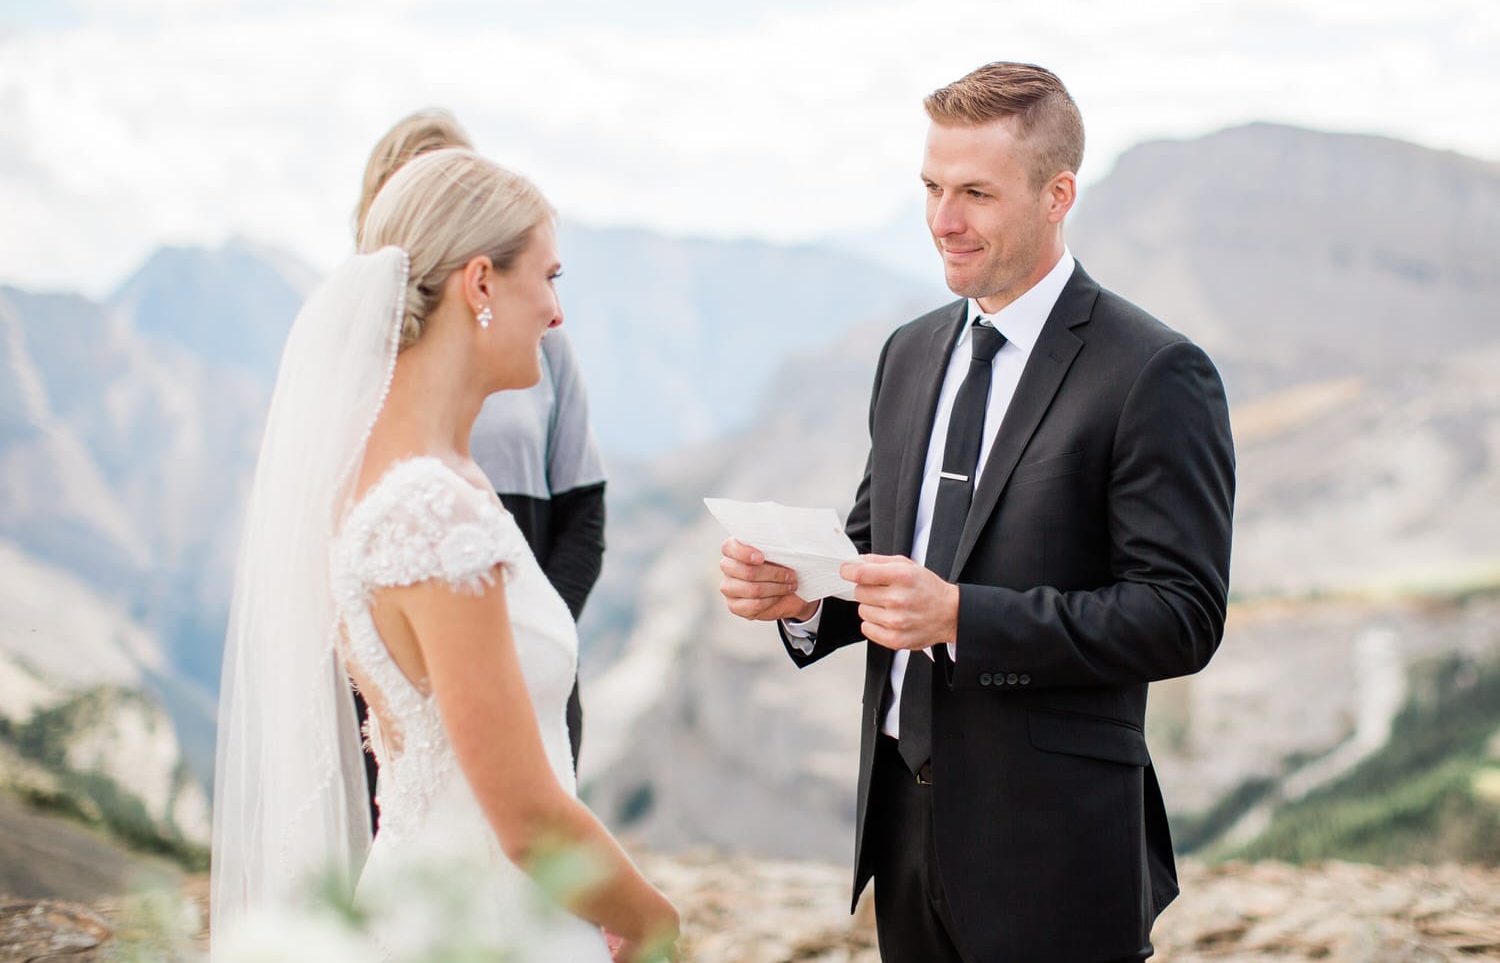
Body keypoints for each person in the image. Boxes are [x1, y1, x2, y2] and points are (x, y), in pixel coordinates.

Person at [719, 62, 1234, 961]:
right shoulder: (909, 353)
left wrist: (962, 616)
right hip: (903, 834)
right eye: (930, 188)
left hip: (1057, 850)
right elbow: (882, 556)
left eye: (975, 193)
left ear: (1056, 194)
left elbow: (1181, 617)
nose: (943, 221)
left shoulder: (1153, 371)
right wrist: (802, 599)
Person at [212, 148, 677, 961]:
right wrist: (652, 919)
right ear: (481, 284)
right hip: (477, 928)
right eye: (550, 276)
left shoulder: (403, 480)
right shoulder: (429, 512)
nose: (557, 313)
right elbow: (526, 817)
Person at [354, 109, 605, 783]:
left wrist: (529, 640)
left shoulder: (544, 348)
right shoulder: (349, 364)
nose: (554, 309)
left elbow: (585, 511)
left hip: (527, 640)